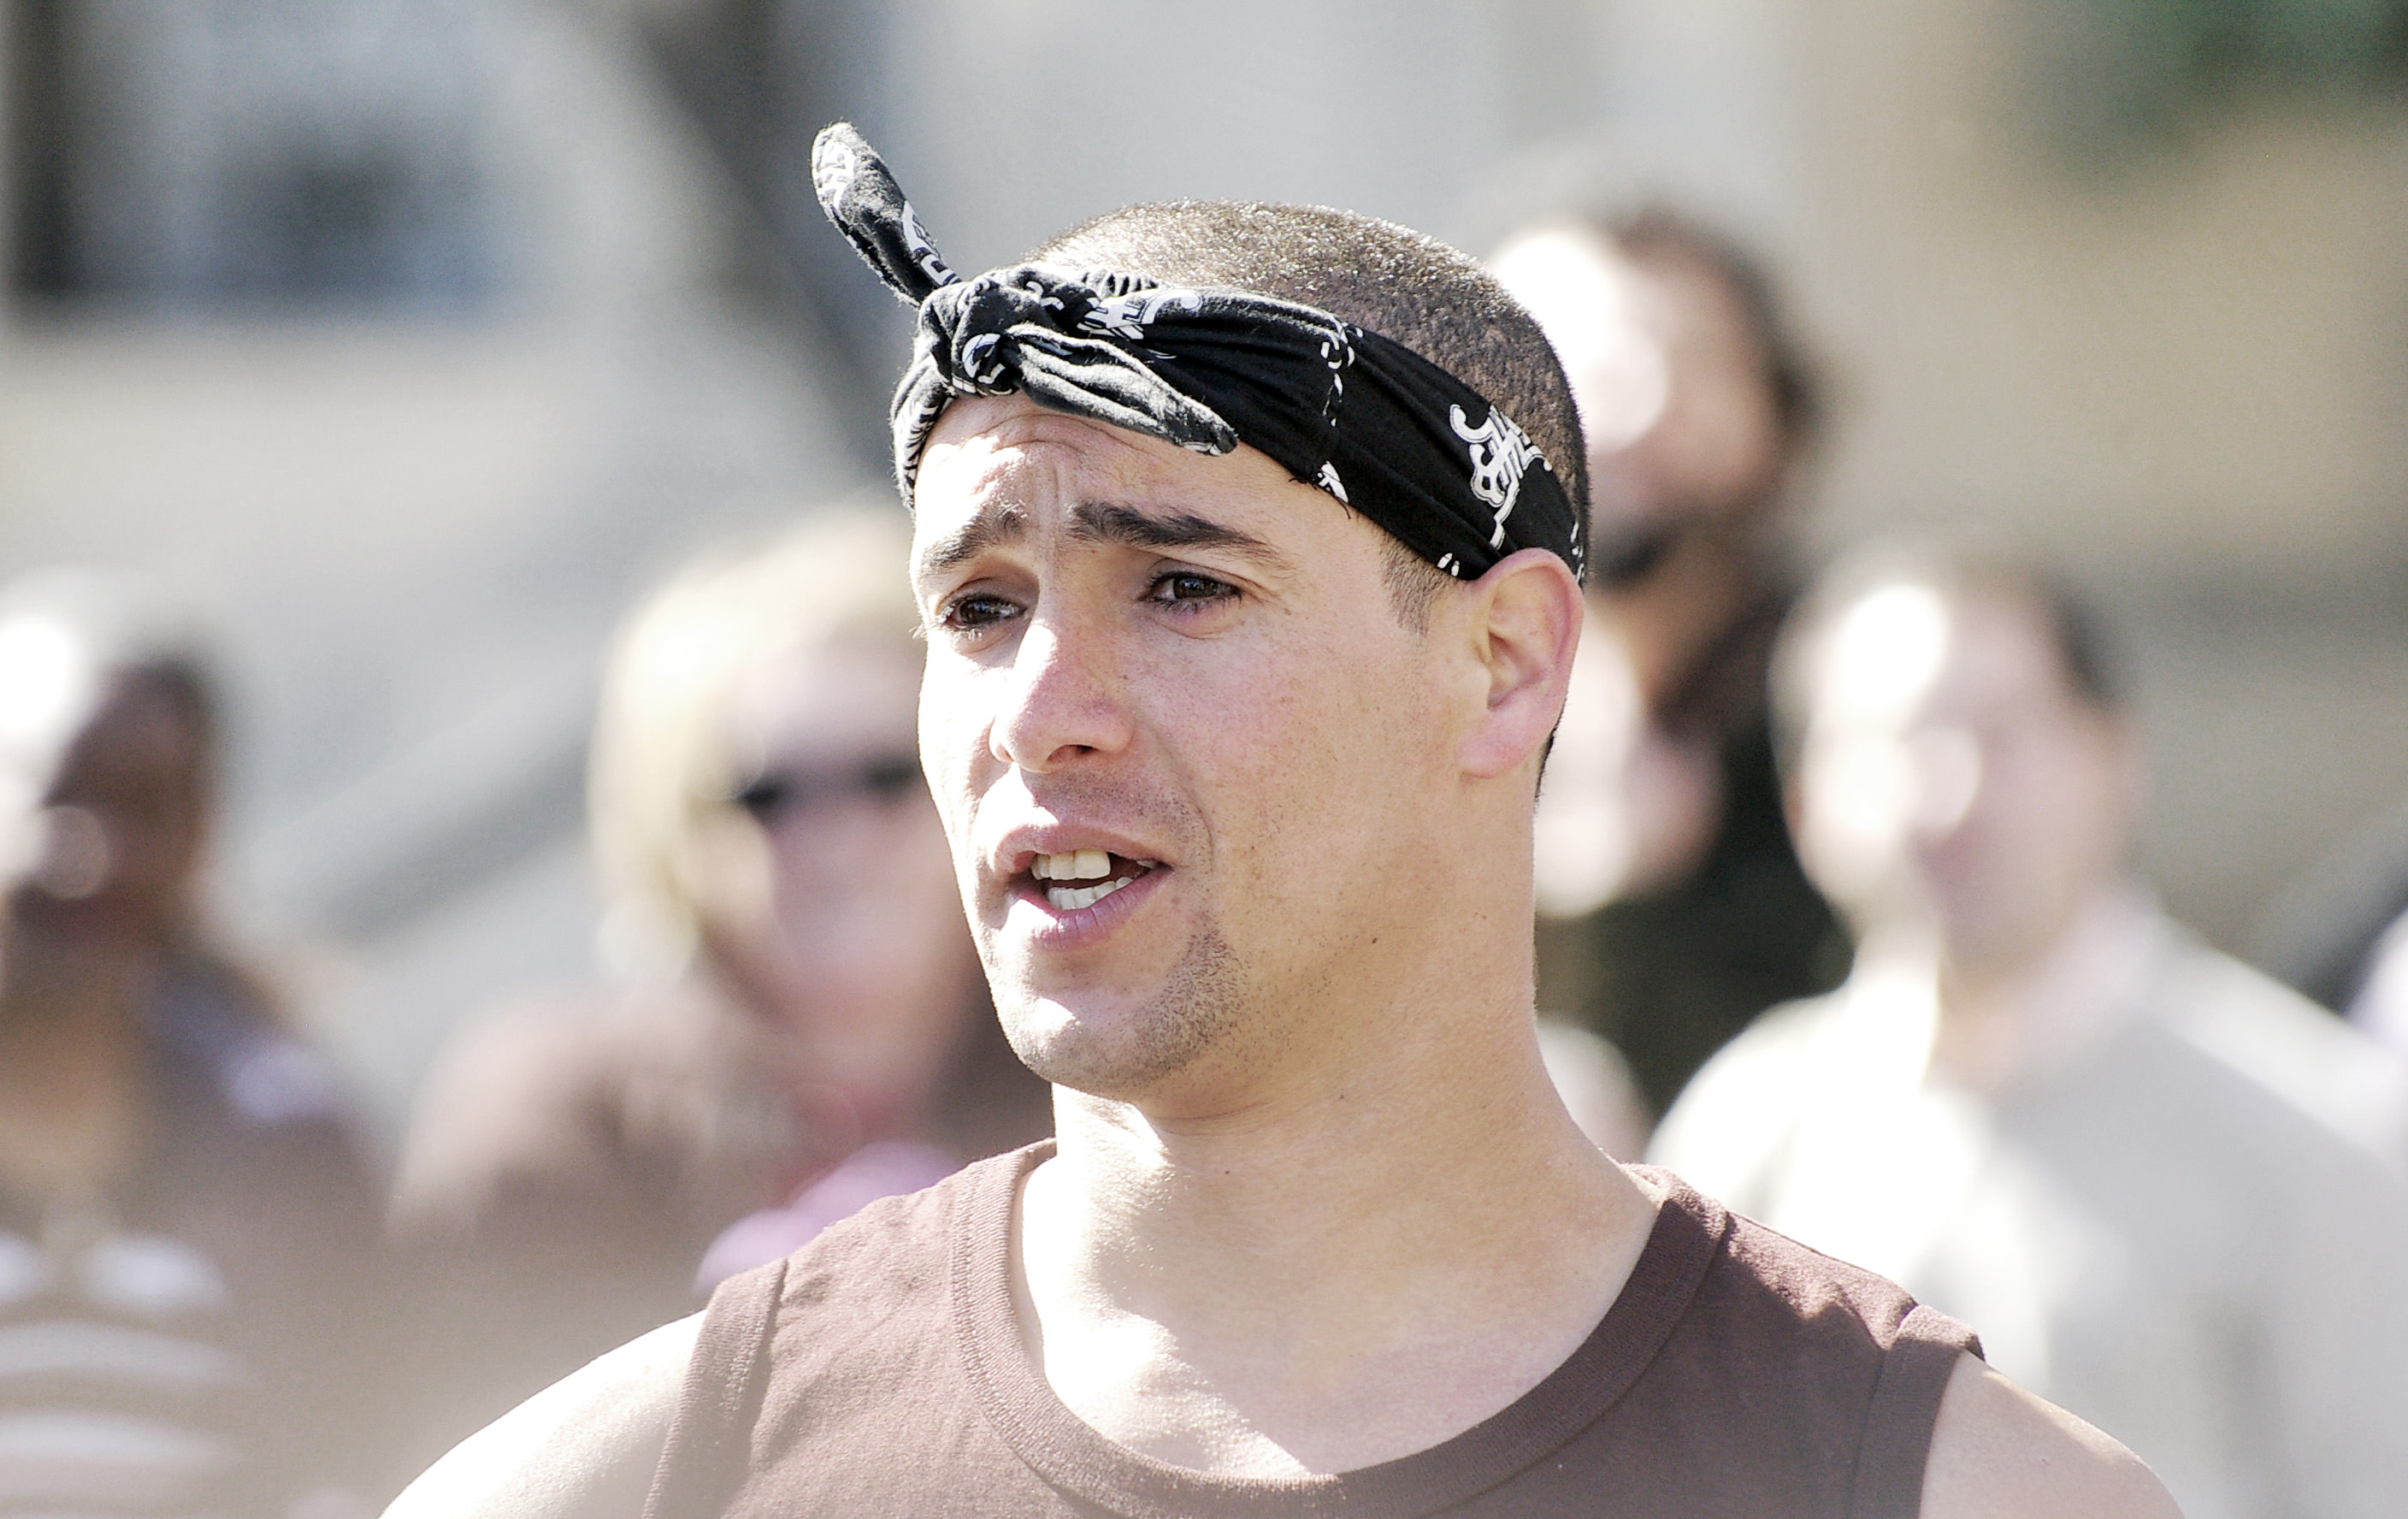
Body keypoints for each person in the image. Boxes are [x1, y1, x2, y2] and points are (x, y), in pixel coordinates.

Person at [386, 125, 2175, 1517]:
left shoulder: (1927, 1485)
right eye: (979, 608)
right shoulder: (652, 1479)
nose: (1040, 710)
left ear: (1503, 662)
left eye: (1182, 586)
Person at [1650, 547, 2408, 1519]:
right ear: (1803, 805)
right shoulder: (1742, 1132)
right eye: (1892, 742)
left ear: (2115, 757)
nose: (1947, 793)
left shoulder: (2324, 1127)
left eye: (1997, 733)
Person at [387, 510, 1050, 1458]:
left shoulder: (1118, 1085)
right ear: (672, 832)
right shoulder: (556, 1116)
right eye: (764, 796)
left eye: (884, 776)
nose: (837, 842)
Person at [0, 570, 397, 1516]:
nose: (97, 856)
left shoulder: (288, 1148)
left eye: (146, 806)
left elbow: (358, 1464)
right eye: (62, 792)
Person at [1488, 207, 1848, 1123]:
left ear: (1774, 413)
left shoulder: (1860, 694)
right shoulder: (1393, 706)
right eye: (1562, 363)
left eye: (1681, 359)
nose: (1624, 411)